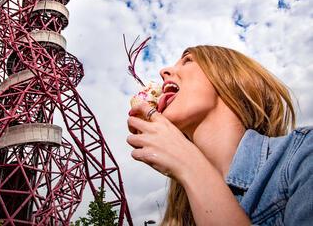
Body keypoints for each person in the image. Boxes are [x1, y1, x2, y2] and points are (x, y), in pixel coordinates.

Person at [126, 45, 313, 225]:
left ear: (230, 77)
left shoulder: (303, 155)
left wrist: (190, 166)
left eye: (188, 60)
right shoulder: (180, 211)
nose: (163, 72)